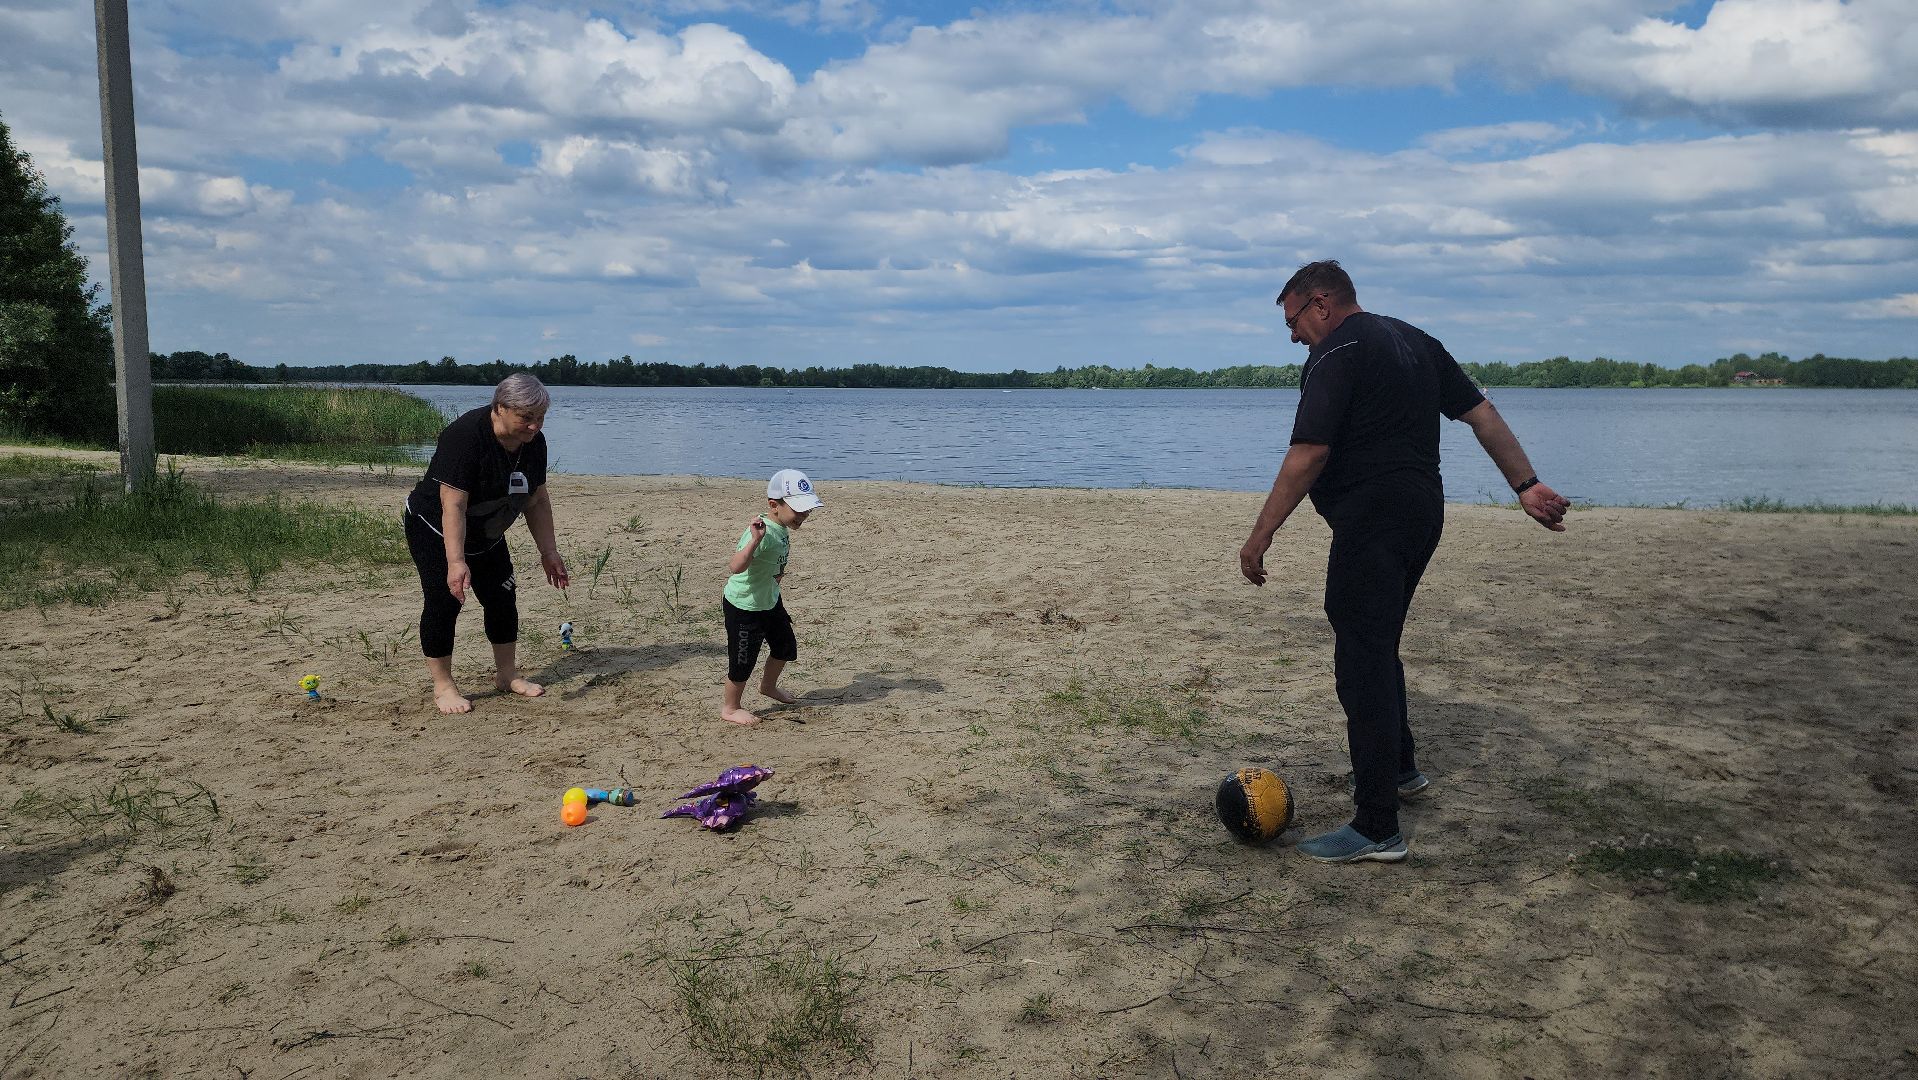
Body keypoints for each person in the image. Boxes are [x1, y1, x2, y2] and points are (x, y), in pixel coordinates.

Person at [1238, 261, 1569, 863]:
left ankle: (1375, 826)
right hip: (1422, 512)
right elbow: (1482, 414)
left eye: (1291, 321)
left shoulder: (1337, 351)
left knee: (1360, 659)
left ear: (1320, 303)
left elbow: (1310, 451)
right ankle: (1403, 770)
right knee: (1376, 636)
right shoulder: (1416, 341)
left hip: (1375, 520)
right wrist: (1526, 484)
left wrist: (1260, 536)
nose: (1291, 337)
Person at [404, 373, 570, 714]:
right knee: (445, 600)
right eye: (526, 418)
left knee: (502, 596)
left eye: (540, 418)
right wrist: (456, 561)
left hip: (487, 530)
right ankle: (443, 686)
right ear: (500, 407)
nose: (534, 427)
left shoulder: (533, 444)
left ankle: (506, 674)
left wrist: (548, 551)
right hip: (435, 527)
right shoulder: (465, 437)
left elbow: (537, 500)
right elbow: (453, 504)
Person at [720, 469, 823, 726]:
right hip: (744, 605)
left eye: (807, 509)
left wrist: (778, 575)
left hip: (769, 600)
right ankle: (731, 708)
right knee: (743, 660)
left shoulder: (781, 526)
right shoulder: (761, 532)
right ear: (773, 505)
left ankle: (768, 686)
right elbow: (735, 566)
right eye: (799, 509)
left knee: (785, 648)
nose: (805, 514)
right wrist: (754, 541)